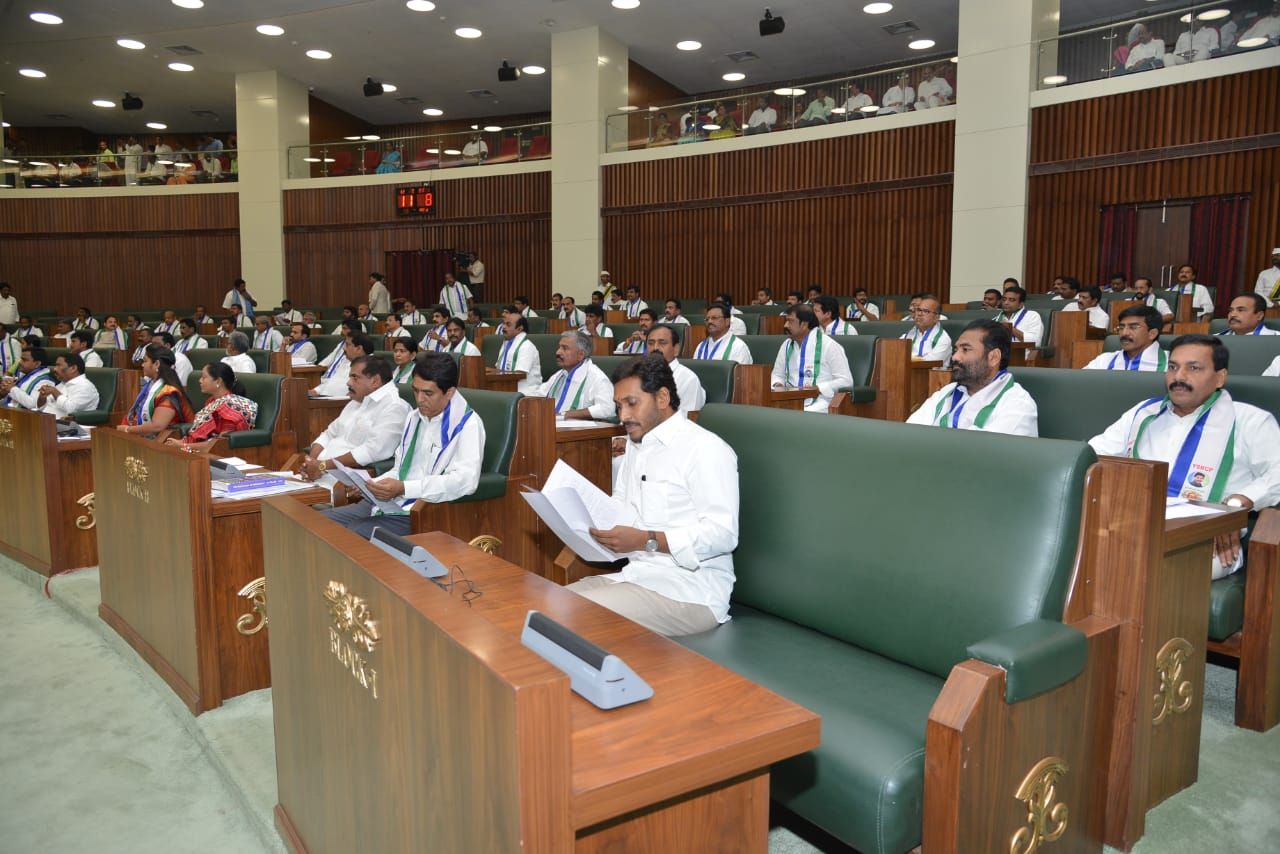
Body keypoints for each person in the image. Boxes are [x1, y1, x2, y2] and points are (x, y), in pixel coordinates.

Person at [565, 355, 738, 637]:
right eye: (619, 406)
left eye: (632, 403)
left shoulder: (706, 450)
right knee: (547, 604)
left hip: (691, 591)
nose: (623, 416)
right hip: (638, 576)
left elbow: (723, 534)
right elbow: (622, 507)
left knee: (573, 617)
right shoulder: (637, 446)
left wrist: (646, 540)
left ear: (662, 397)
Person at [1090, 335, 1280, 579]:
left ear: (1220, 377)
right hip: (1131, 524)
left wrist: (1232, 509)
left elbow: (1277, 473)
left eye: (1194, 368)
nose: (1179, 377)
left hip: (1206, 538)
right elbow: (1094, 454)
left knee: (1139, 567)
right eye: (1173, 367)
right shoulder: (1144, 412)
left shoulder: (1249, 420)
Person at [321, 353, 486, 537]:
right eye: (416, 391)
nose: (419, 399)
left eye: (428, 393)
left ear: (449, 392)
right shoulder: (414, 417)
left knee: (356, 532)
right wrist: (372, 485)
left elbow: (465, 481)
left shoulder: (468, 424)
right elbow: (401, 468)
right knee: (322, 521)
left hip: (428, 508)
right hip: (394, 500)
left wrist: (405, 488)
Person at [298, 354, 411, 491]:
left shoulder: (394, 407)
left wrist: (322, 466)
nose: (349, 383)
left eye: (355, 378)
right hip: (318, 474)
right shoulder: (356, 401)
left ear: (375, 381)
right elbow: (328, 434)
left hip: (346, 482)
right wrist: (311, 462)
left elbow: (372, 451)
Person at [908, 321, 1038, 436]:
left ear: (993, 357)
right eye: (956, 349)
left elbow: (985, 454)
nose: (955, 357)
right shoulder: (947, 392)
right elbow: (911, 432)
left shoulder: (1017, 404)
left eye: (965, 349)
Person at [770, 305, 853, 414]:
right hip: (789, 400)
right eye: (786, 321)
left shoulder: (829, 345)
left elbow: (846, 381)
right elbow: (777, 374)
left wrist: (818, 388)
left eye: (790, 321)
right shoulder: (786, 344)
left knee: (797, 415)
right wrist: (778, 385)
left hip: (822, 400)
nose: (785, 325)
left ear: (804, 324)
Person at [167, 362, 258, 450]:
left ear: (218, 381)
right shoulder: (211, 401)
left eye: (204, 377)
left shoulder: (230, 407)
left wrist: (182, 445)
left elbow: (220, 445)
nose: (200, 381)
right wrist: (180, 443)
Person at [533, 332, 616, 420]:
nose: (558, 352)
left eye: (565, 348)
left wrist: (568, 414)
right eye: (559, 347)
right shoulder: (560, 374)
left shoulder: (597, 377)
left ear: (580, 355)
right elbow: (539, 395)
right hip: (549, 425)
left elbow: (607, 409)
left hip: (575, 430)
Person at [118, 346, 194, 436]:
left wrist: (128, 429)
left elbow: (158, 426)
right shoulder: (151, 385)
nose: (142, 365)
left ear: (157, 364)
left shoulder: (168, 392)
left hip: (170, 440)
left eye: (145, 361)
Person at [1084, 306, 1168, 371]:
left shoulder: (1172, 363)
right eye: (1121, 327)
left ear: (1152, 334)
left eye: (1133, 327)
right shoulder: (1104, 361)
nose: (1124, 333)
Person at [647, 324, 706, 416]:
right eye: (651, 343)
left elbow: (687, 421)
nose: (655, 348)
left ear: (676, 349)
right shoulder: (639, 374)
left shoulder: (688, 379)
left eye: (662, 343)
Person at [312, 334, 374, 398]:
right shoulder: (347, 361)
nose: (344, 348)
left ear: (358, 349)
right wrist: (316, 391)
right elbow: (333, 381)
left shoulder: (371, 366)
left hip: (340, 403)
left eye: (347, 345)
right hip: (324, 398)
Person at [495, 310, 542, 393]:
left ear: (520, 328)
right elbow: (499, 368)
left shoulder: (527, 346)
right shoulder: (506, 343)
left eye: (508, 324)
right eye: (504, 323)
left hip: (525, 392)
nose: (504, 327)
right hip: (506, 388)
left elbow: (518, 374)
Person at [38, 353, 99, 417]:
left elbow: (71, 409)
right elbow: (42, 408)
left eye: (58, 365)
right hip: (47, 420)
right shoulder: (62, 384)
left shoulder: (85, 386)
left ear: (73, 368)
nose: (55, 369)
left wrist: (55, 392)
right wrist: (42, 397)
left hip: (69, 425)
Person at [901, 296, 952, 363]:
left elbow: (929, 364)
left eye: (925, 311)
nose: (919, 314)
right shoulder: (910, 333)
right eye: (918, 310)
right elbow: (896, 350)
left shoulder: (943, 339)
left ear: (936, 317)